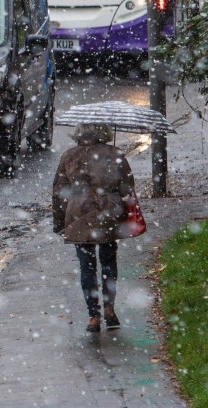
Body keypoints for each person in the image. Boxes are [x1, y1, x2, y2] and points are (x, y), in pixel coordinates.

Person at [52, 123, 136, 332]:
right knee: (108, 262)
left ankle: (93, 317)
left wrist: (59, 221)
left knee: (86, 267)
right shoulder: (114, 153)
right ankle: (109, 308)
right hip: (109, 214)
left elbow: (59, 193)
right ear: (104, 132)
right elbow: (127, 187)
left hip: (79, 216)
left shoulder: (70, 156)